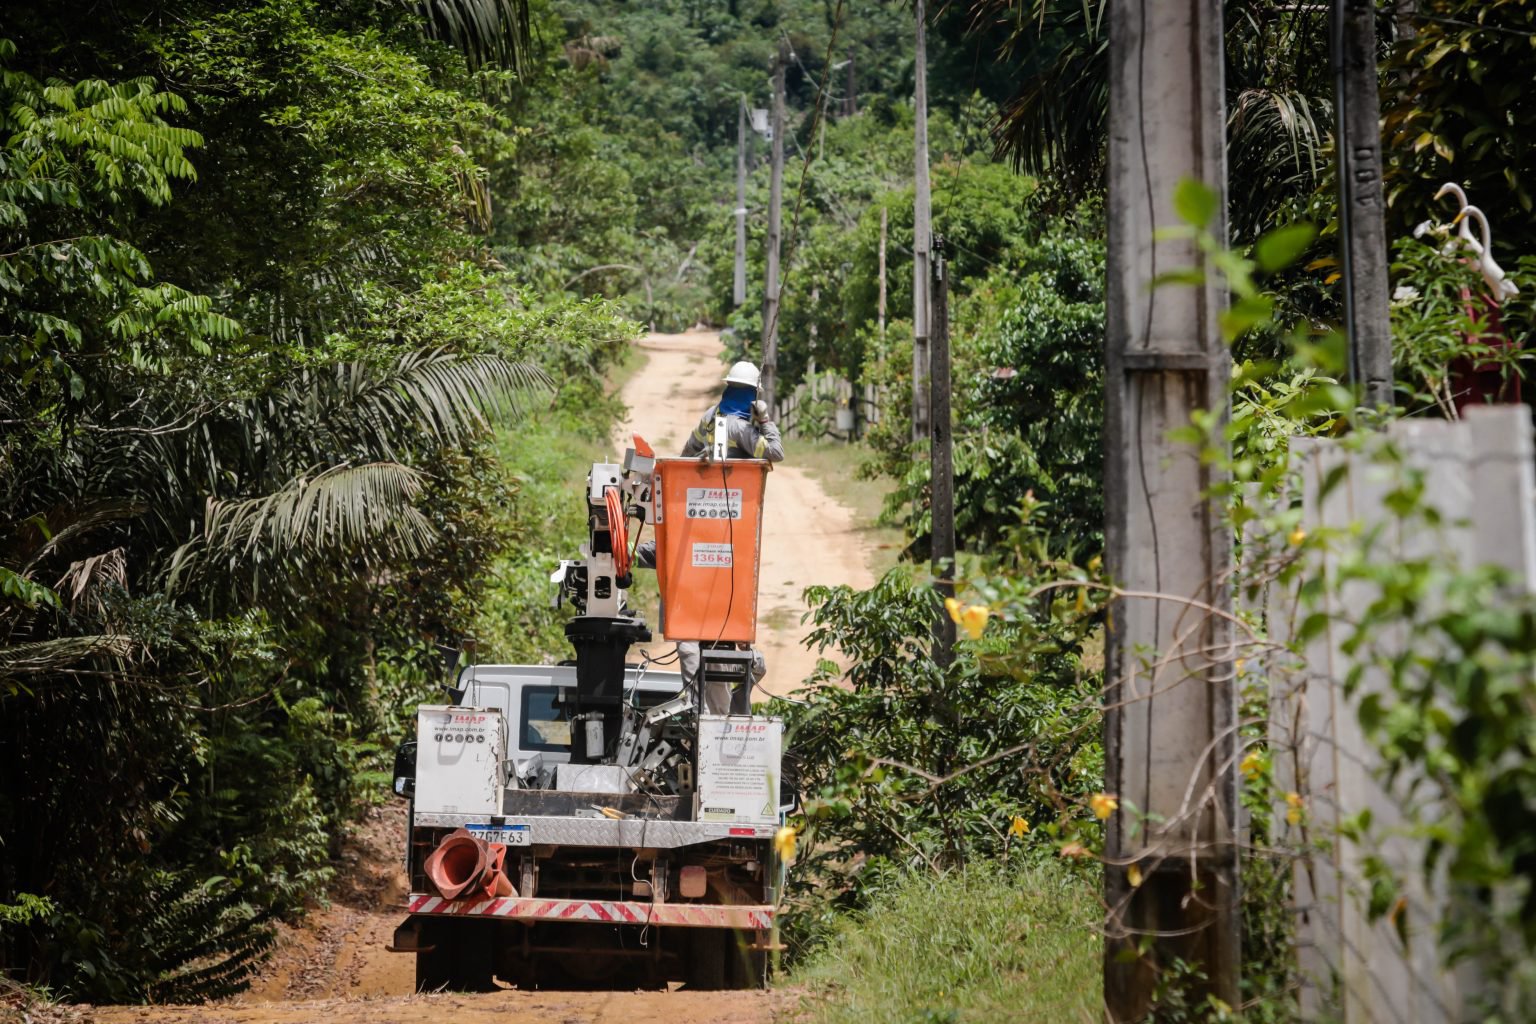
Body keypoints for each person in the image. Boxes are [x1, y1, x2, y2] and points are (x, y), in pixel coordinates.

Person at [638, 360, 785, 712]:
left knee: (699, 646)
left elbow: (686, 455)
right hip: (729, 522)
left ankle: (707, 710)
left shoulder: (708, 418)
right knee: (724, 649)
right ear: (752, 395)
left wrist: (699, 469)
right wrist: (764, 420)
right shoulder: (740, 426)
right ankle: (724, 710)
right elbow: (776, 452)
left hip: (699, 516)